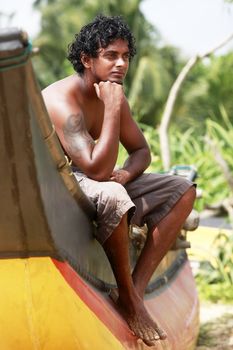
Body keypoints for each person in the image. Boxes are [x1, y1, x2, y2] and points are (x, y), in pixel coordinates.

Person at [42, 14, 196, 347]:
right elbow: (95, 172)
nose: (121, 64)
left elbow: (141, 151)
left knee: (181, 189)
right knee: (112, 193)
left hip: (98, 176)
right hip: (62, 183)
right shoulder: (63, 102)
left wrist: (126, 174)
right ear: (87, 60)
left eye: (126, 56)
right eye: (111, 55)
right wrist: (111, 110)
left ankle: (133, 293)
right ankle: (126, 294)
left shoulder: (113, 95)